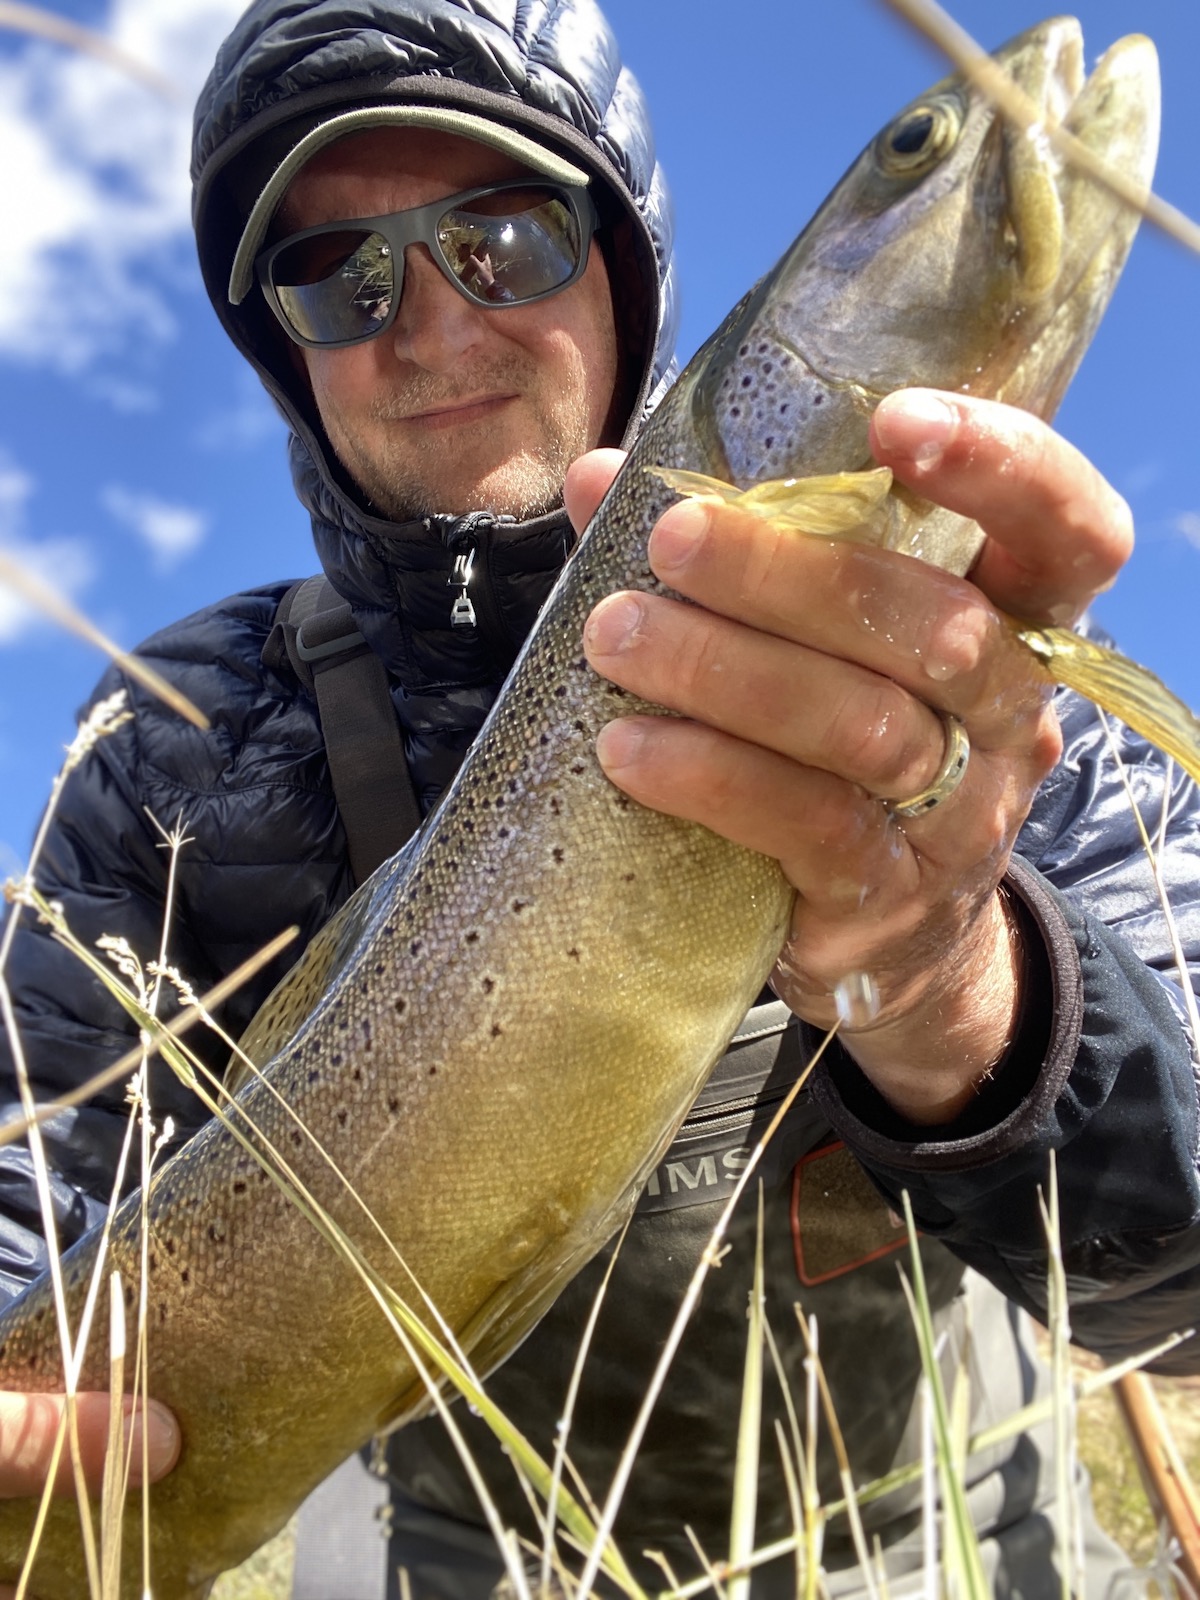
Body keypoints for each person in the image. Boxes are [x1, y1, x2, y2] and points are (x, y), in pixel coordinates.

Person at [0, 2, 1198, 1596]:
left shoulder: (1002, 692)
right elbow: (38, 1207)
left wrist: (961, 995)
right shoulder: (181, 734)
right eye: (337, 275)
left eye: (505, 233)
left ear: (626, 265)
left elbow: (1178, 1296)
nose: (429, 323)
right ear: (286, 349)